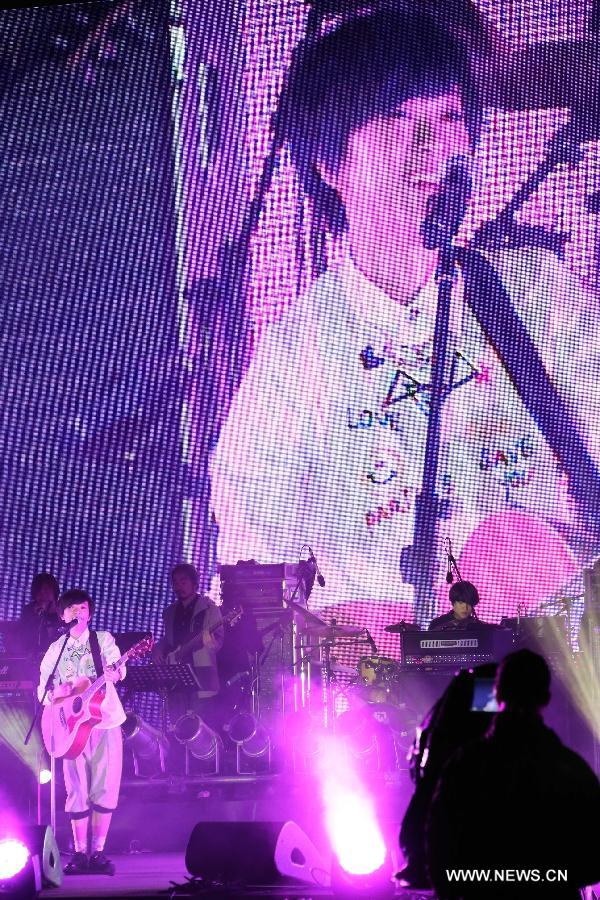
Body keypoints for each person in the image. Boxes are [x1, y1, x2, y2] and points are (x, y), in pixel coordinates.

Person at [208, 6, 600, 623]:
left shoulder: (538, 297)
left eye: (449, 119)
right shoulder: (296, 353)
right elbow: (252, 560)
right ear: (331, 164)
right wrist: (345, 628)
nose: (434, 148)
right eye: (397, 121)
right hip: (390, 691)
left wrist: (553, 543)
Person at [426, 649, 600, 898]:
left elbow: (438, 846)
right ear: (546, 698)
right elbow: (592, 860)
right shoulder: (571, 768)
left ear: (497, 693)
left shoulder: (465, 765)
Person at [37, 588, 126, 875]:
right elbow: (42, 690)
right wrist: (55, 693)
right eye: (72, 609)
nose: (79, 613)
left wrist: (116, 672)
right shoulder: (56, 648)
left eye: (84, 608)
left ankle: (98, 853)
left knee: (105, 785)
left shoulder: (103, 640)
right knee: (76, 789)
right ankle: (78, 854)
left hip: (104, 721)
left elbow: (117, 666)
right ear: (62, 615)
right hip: (70, 728)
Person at [153, 563, 224, 730]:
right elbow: (169, 640)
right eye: (175, 583)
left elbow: (218, 642)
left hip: (201, 678)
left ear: (194, 582)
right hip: (175, 679)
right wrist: (158, 648)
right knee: (177, 727)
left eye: (183, 581)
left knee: (200, 729)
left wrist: (210, 642)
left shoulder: (208, 608)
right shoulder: (169, 612)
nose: (179, 586)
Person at [18, 572, 62, 657]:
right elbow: (23, 636)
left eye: (46, 589)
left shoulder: (64, 610)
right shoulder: (29, 610)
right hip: (32, 657)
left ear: (54, 590)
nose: (42, 593)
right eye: (38, 590)